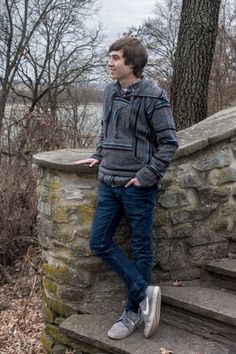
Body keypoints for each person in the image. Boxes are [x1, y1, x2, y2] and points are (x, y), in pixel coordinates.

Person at [73, 37, 178, 340]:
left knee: (141, 247)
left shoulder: (154, 96)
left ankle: (132, 312)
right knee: (98, 242)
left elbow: (169, 143)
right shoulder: (108, 92)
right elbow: (107, 130)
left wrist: (147, 175)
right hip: (108, 181)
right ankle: (145, 293)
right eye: (109, 57)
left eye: (116, 58)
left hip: (137, 187)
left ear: (132, 63)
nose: (110, 62)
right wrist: (98, 154)